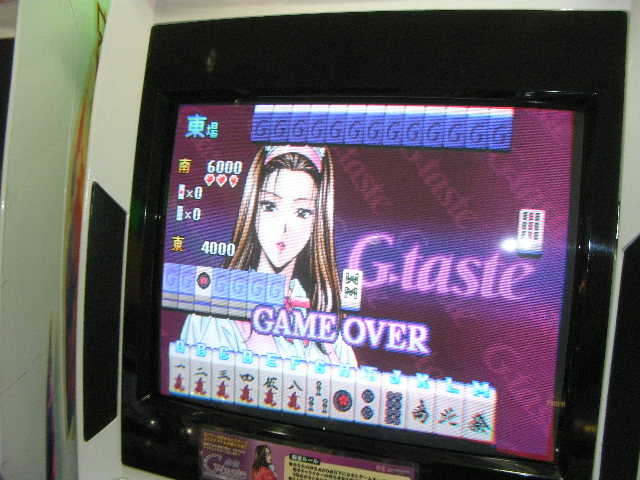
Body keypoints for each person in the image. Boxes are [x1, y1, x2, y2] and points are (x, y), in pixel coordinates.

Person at [180, 145, 357, 366]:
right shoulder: (214, 311)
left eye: (302, 212)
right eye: (270, 206)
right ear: (253, 209)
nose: (284, 227)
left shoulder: (325, 319)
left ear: (317, 222)